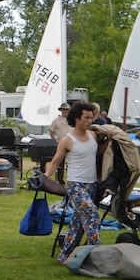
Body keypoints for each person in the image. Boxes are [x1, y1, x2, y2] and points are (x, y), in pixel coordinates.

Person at [45, 102, 100, 263]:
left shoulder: (94, 136)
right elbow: (55, 162)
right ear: (77, 118)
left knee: (78, 224)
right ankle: (95, 257)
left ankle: (64, 257)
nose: (90, 121)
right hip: (76, 185)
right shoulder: (67, 140)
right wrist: (46, 175)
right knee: (92, 216)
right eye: (87, 118)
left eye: (92, 117)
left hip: (92, 185)